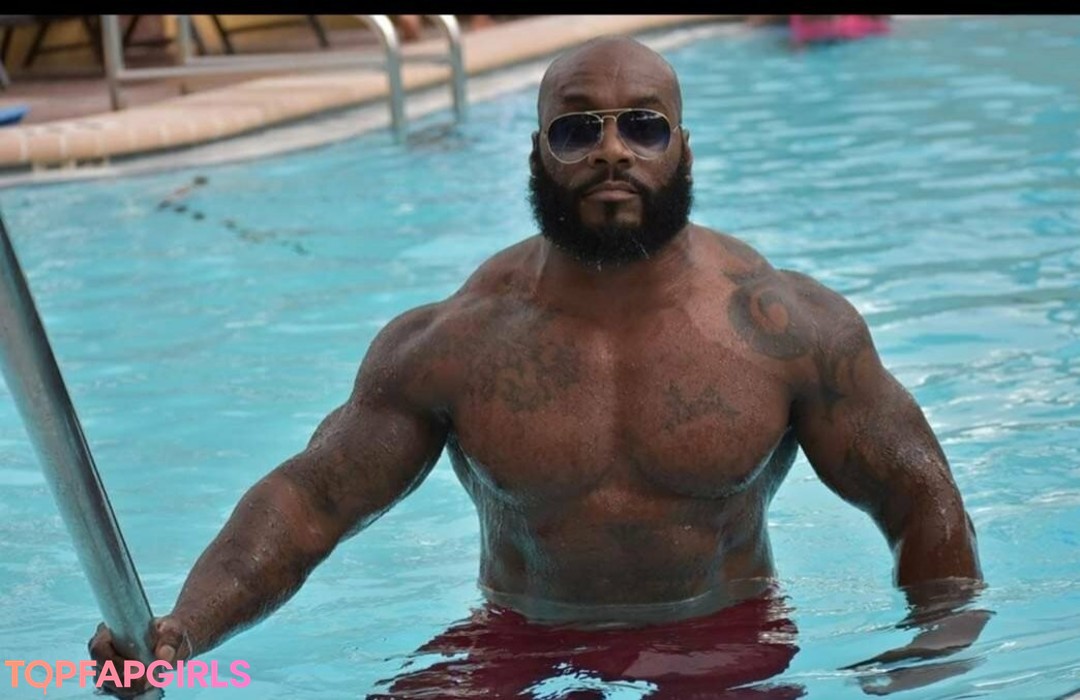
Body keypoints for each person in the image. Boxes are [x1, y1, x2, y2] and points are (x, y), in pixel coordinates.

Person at [89, 36, 987, 698]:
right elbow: (309, 503)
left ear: (683, 149)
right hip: (520, 634)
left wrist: (937, 650)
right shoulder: (459, 342)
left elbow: (918, 496)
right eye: (576, 130)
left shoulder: (783, 328)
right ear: (537, 153)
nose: (612, 150)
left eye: (643, 127)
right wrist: (181, 633)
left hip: (721, 638)